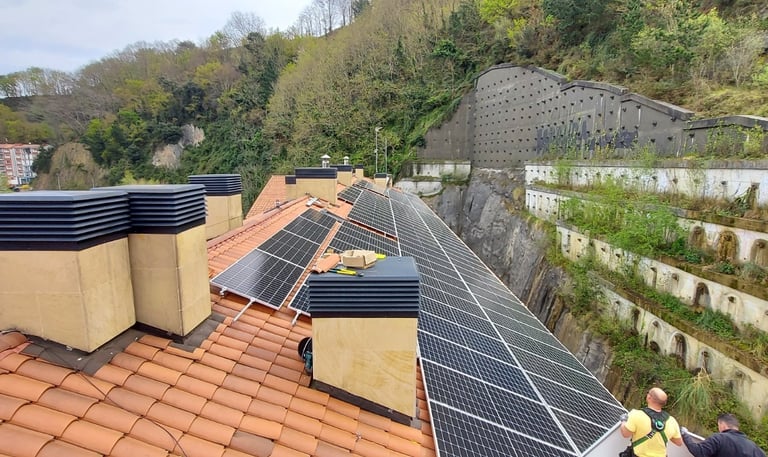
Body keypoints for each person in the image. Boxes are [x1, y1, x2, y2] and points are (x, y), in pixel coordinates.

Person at [620, 387, 683, 457]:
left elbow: (625, 434)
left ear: (649, 397)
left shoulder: (636, 414)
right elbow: (679, 442)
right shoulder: (672, 421)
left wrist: (624, 420)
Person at [681, 413, 766, 457]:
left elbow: (699, 452)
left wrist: (685, 434)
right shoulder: (752, 446)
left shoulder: (719, 438)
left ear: (722, 425)